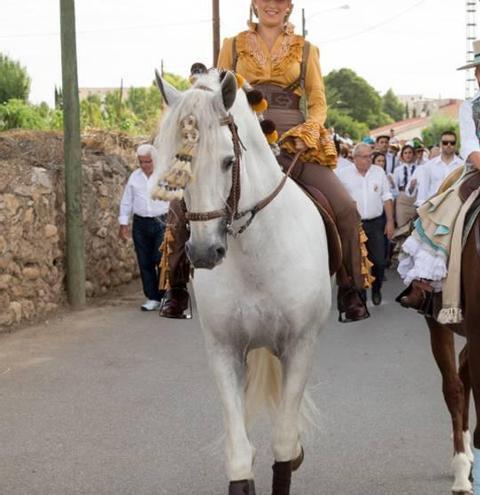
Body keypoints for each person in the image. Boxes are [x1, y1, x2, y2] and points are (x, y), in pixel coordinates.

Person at [158, 0, 372, 322]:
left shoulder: (307, 50)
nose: (272, 6)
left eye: (280, 1)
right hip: (240, 133)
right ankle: (176, 290)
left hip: (292, 137)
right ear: (255, 5)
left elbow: (317, 103)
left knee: (345, 207)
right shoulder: (232, 45)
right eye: (265, 0)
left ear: (289, 7)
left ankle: (350, 289)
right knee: (180, 203)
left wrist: (307, 132)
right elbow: (216, 89)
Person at [397, 33, 480, 313]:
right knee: (446, 210)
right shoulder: (470, 106)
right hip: (477, 172)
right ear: (477, 75)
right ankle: (426, 281)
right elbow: (469, 141)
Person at [336, 143, 395, 306]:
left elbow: (386, 196)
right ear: (354, 158)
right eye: (365, 157)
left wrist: (390, 221)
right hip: (354, 225)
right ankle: (360, 295)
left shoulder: (379, 172)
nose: (369, 160)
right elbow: (338, 201)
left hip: (376, 223)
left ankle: (376, 289)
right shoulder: (342, 174)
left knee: (379, 261)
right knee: (356, 263)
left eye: (370, 156)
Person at [118, 144, 169, 311]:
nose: (145, 165)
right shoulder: (135, 177)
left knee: (160, 259)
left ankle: (165, 295)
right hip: (140, 223)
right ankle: (152, 297)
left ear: (154, 160)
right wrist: (123, 222)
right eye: (141, 162)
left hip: (162, 221)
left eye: (148, 161)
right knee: (144, 261)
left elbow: (176, 198)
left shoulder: (165, 175)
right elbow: (127, 200)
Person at [409, 130, 464, 208]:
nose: (448, 145)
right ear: (440, 144)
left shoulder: (462, 166)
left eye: (452, 143)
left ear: (455, 144)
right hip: (433, 207)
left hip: (455, 208)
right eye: (445, 142)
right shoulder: (429, 166)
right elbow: (423, 190)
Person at [392, 144, 420, 227]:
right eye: (405, 153)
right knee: (402, 225)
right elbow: (395, 187)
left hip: (416, 197)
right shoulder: (397, 170)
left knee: (416, 225)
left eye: (410, 153)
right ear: (402, 155)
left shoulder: (420, 168)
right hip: (402, 198)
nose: (408, 155)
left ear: (414, 155)